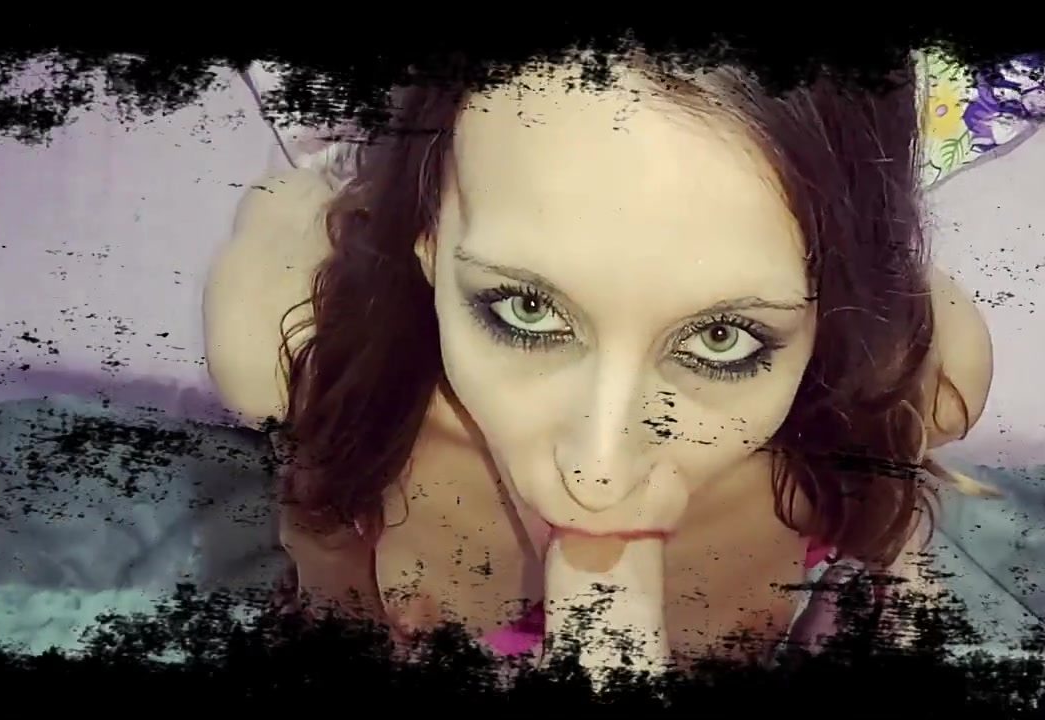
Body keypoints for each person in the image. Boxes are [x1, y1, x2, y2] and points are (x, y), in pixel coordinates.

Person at [203, 52, 994, 676]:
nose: (599, 472)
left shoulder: (915, 382)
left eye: (723, 338)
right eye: (526, 308)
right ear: (430, 240)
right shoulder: (297, 358)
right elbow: (326, 595)